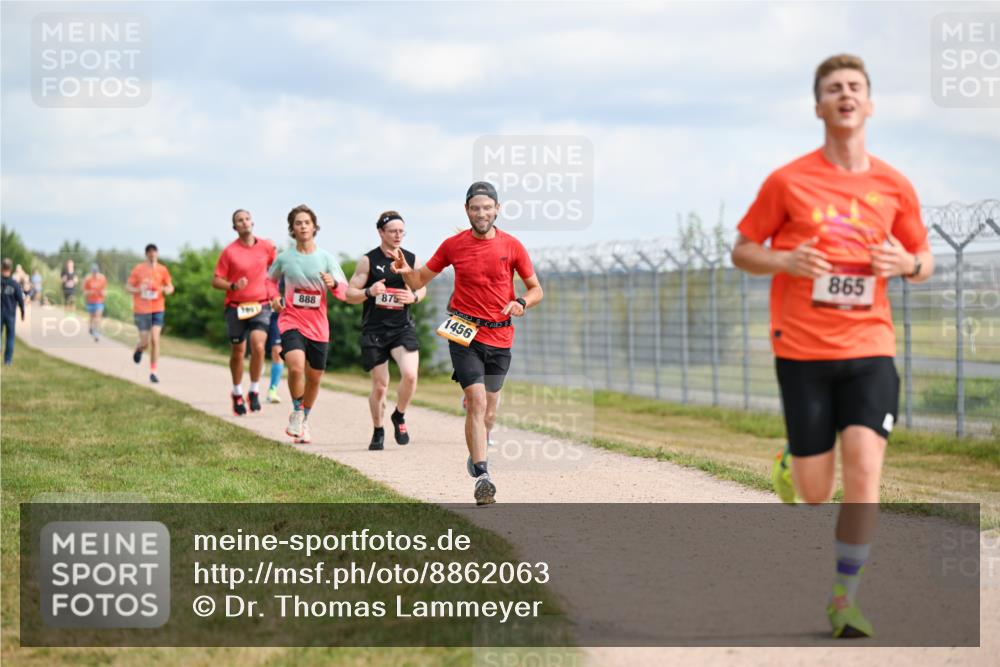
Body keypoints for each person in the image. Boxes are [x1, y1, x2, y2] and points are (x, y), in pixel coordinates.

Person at [731, 54, 934, 639]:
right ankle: (792, 462)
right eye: (833, 88)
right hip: (802, 349)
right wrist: (786, 259)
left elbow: (924, 260)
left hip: (870, 344)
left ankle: (845, 599)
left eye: (855, 87)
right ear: (819, 106)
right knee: (816, 494)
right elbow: (742, 249)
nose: (845, 94)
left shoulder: (894, 185)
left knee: (866, 469)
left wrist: (908, 261)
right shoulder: (788, 180)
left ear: (869, 104)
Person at [392, 181, 543, 506]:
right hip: (465, 333)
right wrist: (406, 271)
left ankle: (479, 446)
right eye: (475, 208)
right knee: (475, 402)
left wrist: (521, 303)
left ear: (497, 210)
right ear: (467, 211)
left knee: (489, 410)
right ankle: (483, 474)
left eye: (487, 208)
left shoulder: (513, 246)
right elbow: (419, 280)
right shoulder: (453, 245)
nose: (481, 213)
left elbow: (536, 289)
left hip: (500, 335)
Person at [346, 211, 426, 451]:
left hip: (402, 328)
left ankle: (399, 415)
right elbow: (349, 294)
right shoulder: (368, 260)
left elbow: (422, 289)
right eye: (393, 231)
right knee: (381, 385)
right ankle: (378, 429)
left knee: (410, 375)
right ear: (381, 232)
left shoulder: (411, 258)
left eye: (401, 231)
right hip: (375, 330)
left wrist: (412, 296)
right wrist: (370, 291)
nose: (398, 235)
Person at [268, 204, 348, 444]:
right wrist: (274, 298)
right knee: (295, 366)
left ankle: (303, 420)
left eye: (307, 222)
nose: (303, 226)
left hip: (318, 326)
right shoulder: (284, 258)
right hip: (291, 319)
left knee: (315, 376)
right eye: (298, 223)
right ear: (292, 229)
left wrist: (333, 283)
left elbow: (344, 291)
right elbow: (269, 282)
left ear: (314, 227)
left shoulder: (326, 258)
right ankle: (296, 409)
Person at [212, 209, 278, 416]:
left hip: (261, 305)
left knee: (258, 346)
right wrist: (232, 286)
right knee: (238, 352)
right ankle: (237, 392)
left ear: (252, 222)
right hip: (236, 307)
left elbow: (274, 270)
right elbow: (216, 280)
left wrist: (274, 294)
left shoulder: (266, 247)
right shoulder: (229, 252)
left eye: (247, 219)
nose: (244, 223)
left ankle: (254, 389)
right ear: (235, 227)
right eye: (239, 221)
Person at [126, 244, 175, 383]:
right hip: (141, 310)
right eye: (150, 253)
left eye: (155, 253)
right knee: (145, 341)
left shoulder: (162, 269)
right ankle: (139, 349)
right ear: (146, 254)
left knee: (155, 339)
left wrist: (168, 290)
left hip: (158, 308)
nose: (153, 255)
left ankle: (153, 371)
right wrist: (137, 289)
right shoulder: (138, 269)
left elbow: (170, 286)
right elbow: (127, 287)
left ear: (157, 254)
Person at [1, 258, 26, 366]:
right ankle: (8, 361)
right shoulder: (14, 284)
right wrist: (22, 312)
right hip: (11, 314)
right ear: (10, 269)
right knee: (10, 337)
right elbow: (20, 299)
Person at [82, 264, 108, 341]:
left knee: (97, 318)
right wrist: (90, 292)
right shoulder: (88, 279)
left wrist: (103, 293)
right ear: (91, 272)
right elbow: (84, 292)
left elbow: (105, 290)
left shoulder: (102, 279)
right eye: (93, 272)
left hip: (99, 301)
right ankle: (91, 328)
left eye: (96, 272)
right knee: (92, 318)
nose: (95, 274)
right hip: (90, 301)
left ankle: (96, 334)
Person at [264, 301, 283, 404]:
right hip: (259, 312)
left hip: (277, 316)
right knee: (257, 348)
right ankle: (253, 389)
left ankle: (272, 390)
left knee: (277, 351)